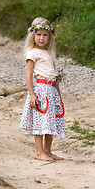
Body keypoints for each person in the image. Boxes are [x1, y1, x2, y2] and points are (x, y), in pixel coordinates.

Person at [19, 17, 65, 162]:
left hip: (51, 91)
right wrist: (32, 94)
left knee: (50, 122)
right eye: (38, 34)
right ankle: (39, 152)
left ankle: (47, 151)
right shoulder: (32, 53)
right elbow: (29, 75)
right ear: (33, 35)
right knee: (40, 121)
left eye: (45, 35)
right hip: (41, 90)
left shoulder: (49, 53)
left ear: (49, 36)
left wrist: (59, 96)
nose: (42, 38)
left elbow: (54, 76)